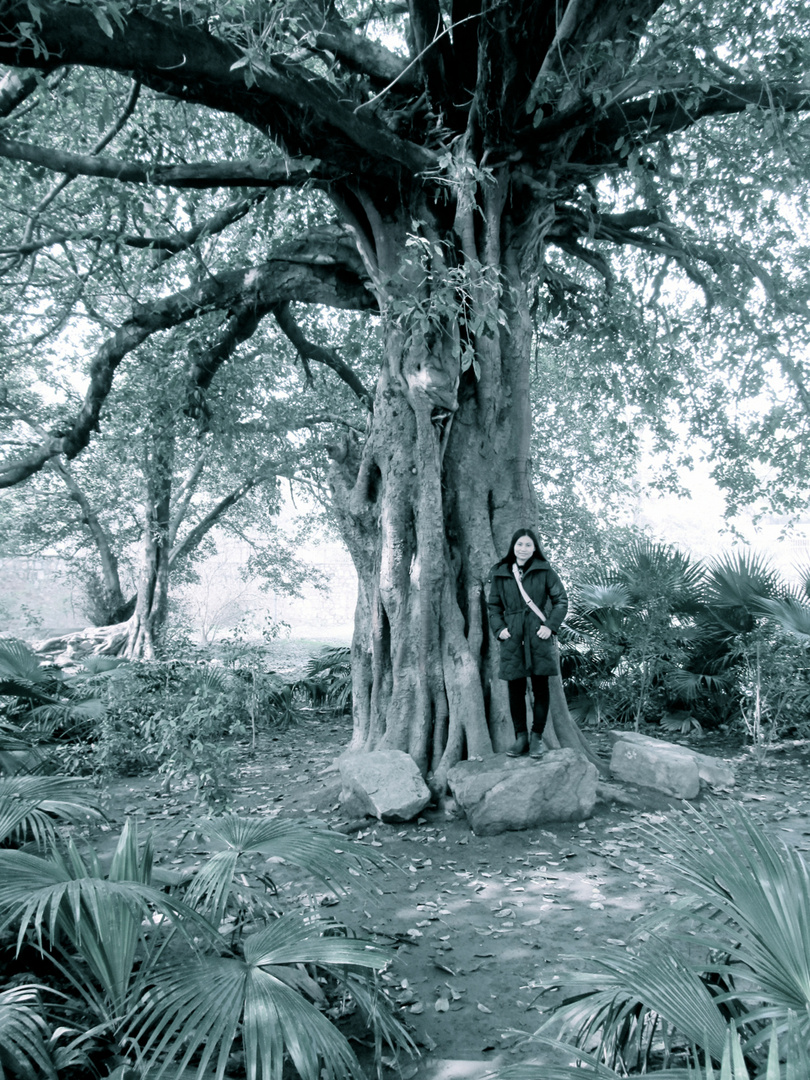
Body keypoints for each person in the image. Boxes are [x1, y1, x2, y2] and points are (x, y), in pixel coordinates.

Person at [487, 528, 569, 758]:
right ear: (513, 546)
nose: (523, 548)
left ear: (535, 548)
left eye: (528, 545)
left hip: (538, 634)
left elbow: (561, 601)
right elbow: (493, 606)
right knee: (515, 688)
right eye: (519, 544)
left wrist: (549, 626)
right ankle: (520, 738)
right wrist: (500, 629)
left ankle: (536, 738)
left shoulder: (545, 571)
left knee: (541, 688)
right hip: (512, 636)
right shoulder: (501, 573)